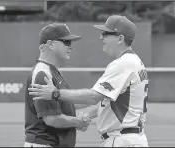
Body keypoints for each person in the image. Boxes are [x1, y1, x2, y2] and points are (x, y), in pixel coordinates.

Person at [28, 15, 149, 147]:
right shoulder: (134, 62)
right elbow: (108, 103)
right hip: (130, 138)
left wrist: (55, 93)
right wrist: (85, 116)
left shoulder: (123, 64)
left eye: (106, 33)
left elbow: (93, 97)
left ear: (120, 38)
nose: (101, 37)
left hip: (123, 140)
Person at [24, 23, 91, 147]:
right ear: (50, 44)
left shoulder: (51, 72)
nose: (71, 47)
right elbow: (51, 118)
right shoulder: (42, 74)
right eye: (66, 42)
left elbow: (65, 104)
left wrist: (96, 98)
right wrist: (78, 122)